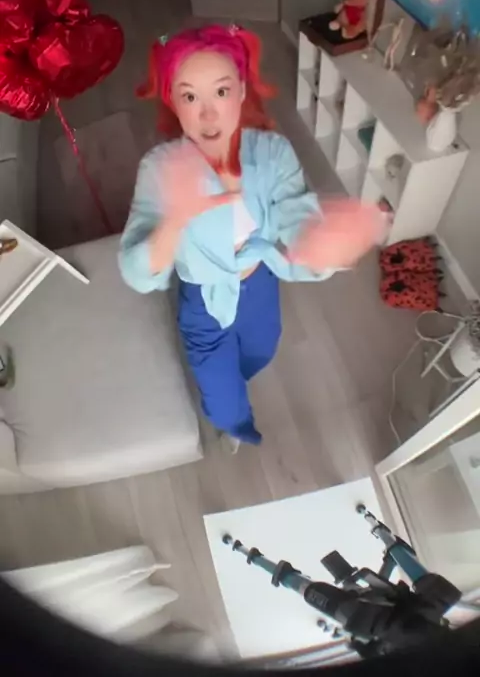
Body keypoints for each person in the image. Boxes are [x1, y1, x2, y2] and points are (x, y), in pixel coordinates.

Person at [119, 25, 383, 448]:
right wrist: (176, 218)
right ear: (173, 101)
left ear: (241, 91)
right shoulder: (160, 169)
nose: (208, 115)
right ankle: (234, 422)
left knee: (261, 351)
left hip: (261, 285)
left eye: (221, 92)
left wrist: (324, 242)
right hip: (203, 300)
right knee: (223, 403)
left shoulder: (273, 153)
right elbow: (136, 272)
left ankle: (232, 383)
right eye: (190, 97)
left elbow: (296, 219)